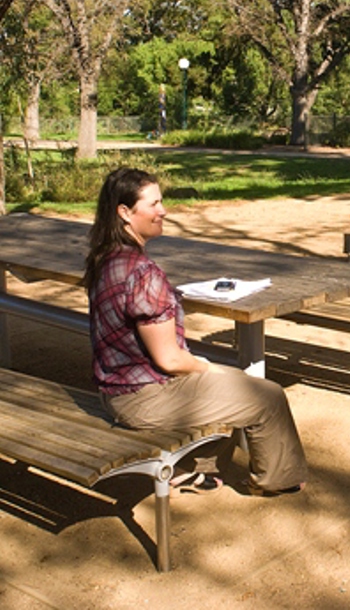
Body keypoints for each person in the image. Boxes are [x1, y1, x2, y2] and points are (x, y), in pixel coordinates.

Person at [82, 167, 308, 496]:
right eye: (154, 204)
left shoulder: (105, 259)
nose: (164, 211)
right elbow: (170, 360)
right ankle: (277, 479)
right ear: (125, 213)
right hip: (143, 398)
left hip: (116, 389)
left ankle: (193, 468)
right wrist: (209, 367)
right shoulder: (143, 273)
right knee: (267, 396)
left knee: (232, 382)